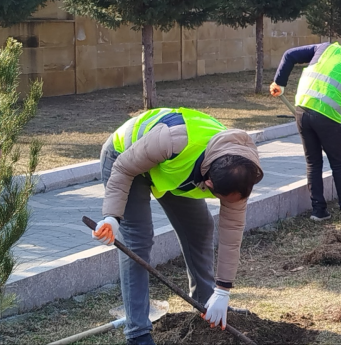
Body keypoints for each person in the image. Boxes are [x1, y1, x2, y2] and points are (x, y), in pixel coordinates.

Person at [92, 108, 264, 345]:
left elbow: (232, 232)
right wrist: (112, 217)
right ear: (208, 182)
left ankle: (206, 302)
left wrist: (223, 291)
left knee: (200, 228)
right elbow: (123, 168)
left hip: (171, 167)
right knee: (138, 241)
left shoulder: (242, 169)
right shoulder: (174, 141)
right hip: (125, 157)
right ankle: (138, 333)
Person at [269, 41, 341, 223]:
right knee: (338, 164)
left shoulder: (325, 48)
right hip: (327, 115)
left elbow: (289, 54)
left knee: (313, 163)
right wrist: (334, 120)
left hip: (302, 109)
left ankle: (318, 211)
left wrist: (279, 82)